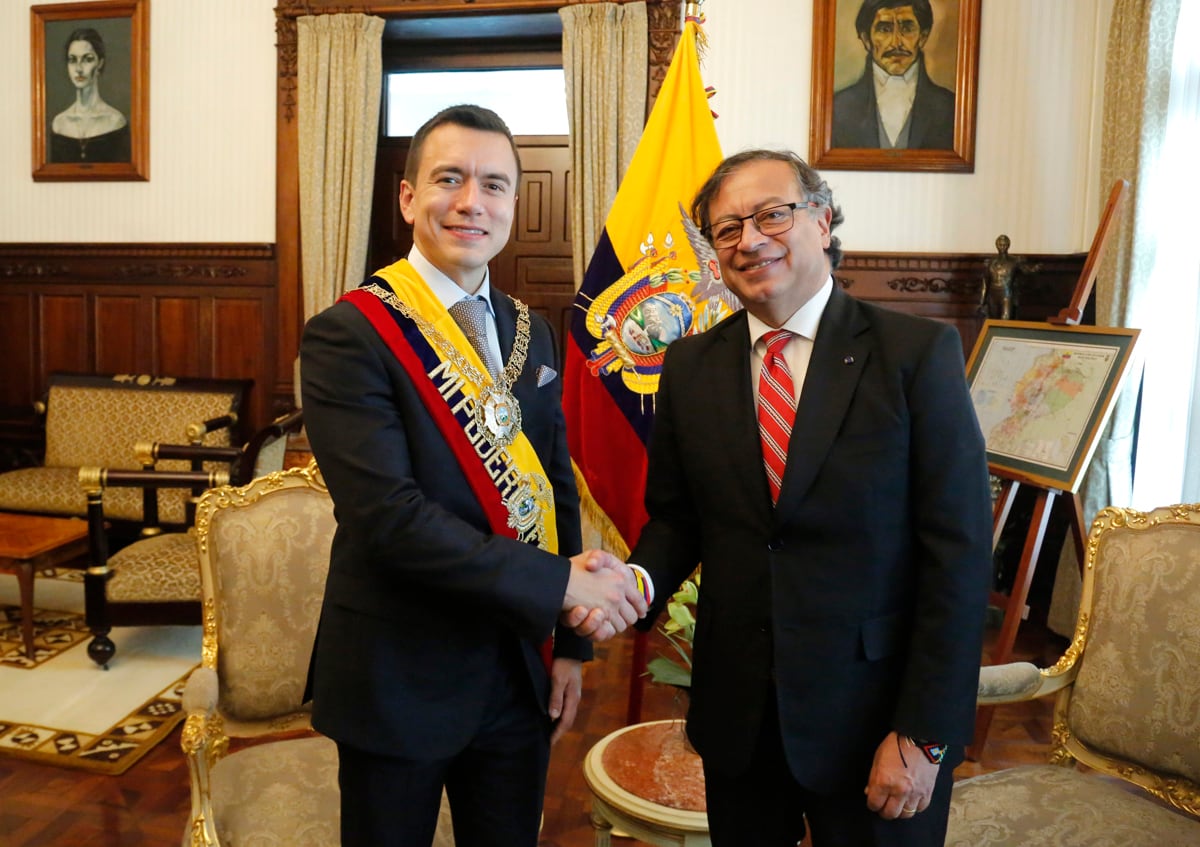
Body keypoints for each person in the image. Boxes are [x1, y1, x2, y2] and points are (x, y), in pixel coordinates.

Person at [300, 104, 647, 847]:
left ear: (513, 205)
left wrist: (571, 644)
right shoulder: (350, 332)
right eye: (448, 179)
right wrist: (561, 586)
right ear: (407, 197)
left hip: (517, 670)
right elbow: (389, 518)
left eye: (493, 184)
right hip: (399, 676)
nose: (471, 202)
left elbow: (554, 491)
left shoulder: (532, 328)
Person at [626, 149, 993, 846]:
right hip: (741, 725)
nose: (750, 239)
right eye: (727, 228)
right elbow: (677, 519)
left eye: (772, 214)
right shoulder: (690, 366)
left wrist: (924, 735)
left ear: (821, 221)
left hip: (877, 722)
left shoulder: (915, 354)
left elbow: (960, 555)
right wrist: (630, 583)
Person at [832, 0, 955, 150]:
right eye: (884, 29)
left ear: (923, 37)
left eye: (907, 28)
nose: (896, 43)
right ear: (866, 40)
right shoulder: (838, 109)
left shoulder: (951, 108)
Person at [49, 28, 130, 163]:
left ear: (100, 63)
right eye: (73, 60)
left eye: (87, 59)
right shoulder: (59, 124)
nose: (79, 69)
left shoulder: (116, 121)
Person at [980, 234, 1040, 320]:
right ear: (997, 245)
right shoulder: (990, 262)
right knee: (993, 321)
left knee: (1005, 319)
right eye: (1000, 245)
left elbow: (1026, 270)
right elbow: (985, 283)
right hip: (993, 295)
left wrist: (1035, 268)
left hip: (1006, 294)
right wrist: (982, 302)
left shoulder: (1014, 261)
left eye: (1004, 245)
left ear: (1008, 245)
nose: (1002, 247)